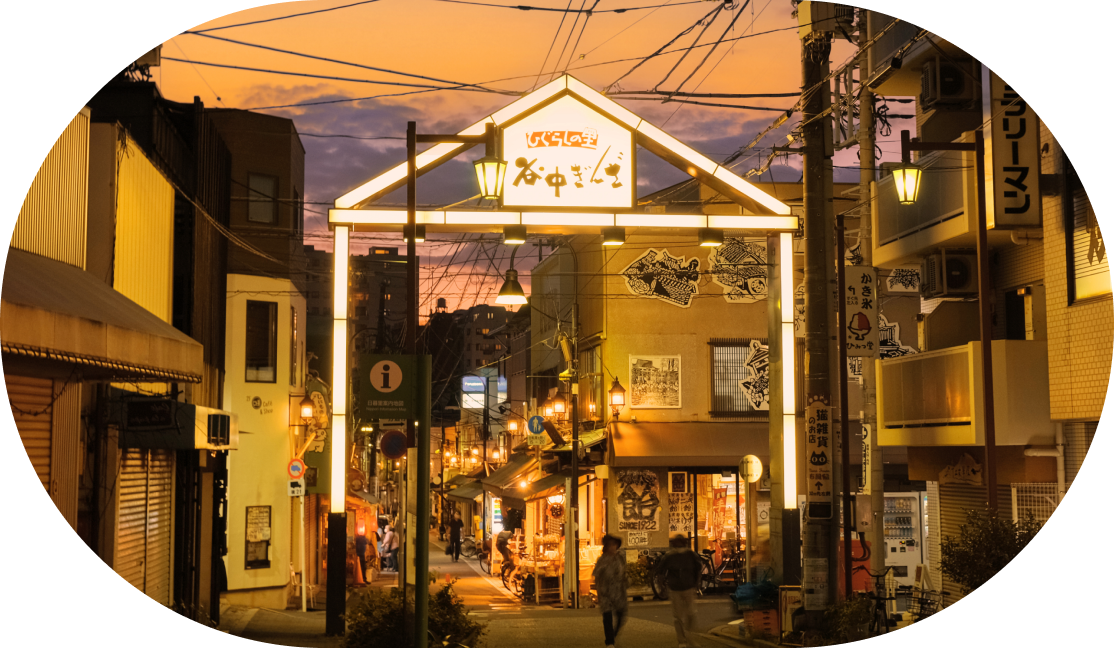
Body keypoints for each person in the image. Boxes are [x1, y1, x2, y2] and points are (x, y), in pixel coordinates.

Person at [656, 534, 703, 648]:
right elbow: (661, 572)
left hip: (687, 587)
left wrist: (696, 583)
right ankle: (682, 640)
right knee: (678, 616)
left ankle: (687, 634)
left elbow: (698, 569)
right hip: (675, 588)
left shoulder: (690, 555)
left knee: (690, 613)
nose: (679, 546)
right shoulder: (670, 556)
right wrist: (662, 586)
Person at [592, 534, 628, 648]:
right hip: (605, 592)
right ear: (606, 547)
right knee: (607, 617)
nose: (613, 547)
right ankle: (610, 642)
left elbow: (625, 572)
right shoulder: (602, 560)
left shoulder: (620, 557)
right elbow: (596, 575)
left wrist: (626, 581)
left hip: (619, 592)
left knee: (621, 616)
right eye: (611, 545)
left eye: (614, 544)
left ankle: (612, 636)